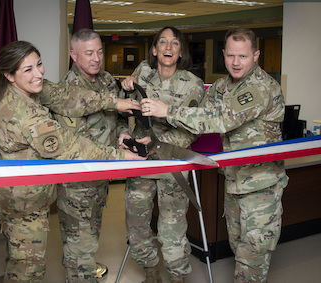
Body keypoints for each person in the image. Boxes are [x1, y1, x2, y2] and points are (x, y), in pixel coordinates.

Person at [0, 40, 144, 283]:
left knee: (18, 259)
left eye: (39, 64)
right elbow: (70, 145)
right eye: (28, 69)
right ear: (9, 76)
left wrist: (113, 101)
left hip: (28, 196)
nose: (38, 74)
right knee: (28, 270)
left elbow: (65, 96)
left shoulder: (24, 89)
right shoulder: (23, 114)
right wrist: (121, 156)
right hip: (25, 203)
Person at [141, 28, 289, 283]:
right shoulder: (221, 86)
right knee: (238, 248)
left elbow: (221, 120)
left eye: (242, 56)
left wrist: (168, 110)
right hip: (234, 183)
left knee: (252, 261)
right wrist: (156, 140)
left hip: (261, 187)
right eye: (230, 55)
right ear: (223, 54)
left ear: (255, 55)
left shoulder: (260, 87)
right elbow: (197, 121)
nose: (235, 62)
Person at [120, 27, 205, 283]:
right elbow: (125, 110)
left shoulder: (193, 84)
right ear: (154, 49)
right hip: (141, 163)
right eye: (163, 43)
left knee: (172, 229)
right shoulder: (143, 73)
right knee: (136, 224)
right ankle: (151, 272)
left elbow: (193, 129)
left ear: (180, 52)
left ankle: (177, 276)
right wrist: (126, 88)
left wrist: (159, 131)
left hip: (172, 165)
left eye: (175, 43)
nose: (168, 48)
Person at [54, 28, 129, 282]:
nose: (96, 58)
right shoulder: (68, 92)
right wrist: (120, 156)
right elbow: (78, 144)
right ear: (74, 55)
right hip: (77, 183)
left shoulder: (107, 80)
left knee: (90, 236)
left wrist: (122, 134)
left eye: (99, 51)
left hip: (101, 178)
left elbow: (116, 117)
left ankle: (80, 270)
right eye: (89, 53)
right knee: (79, 243)